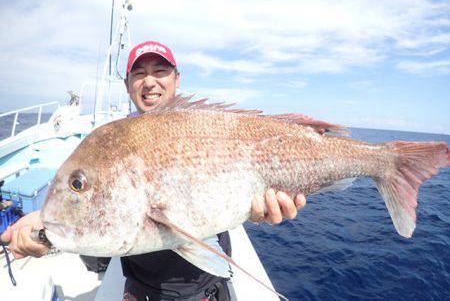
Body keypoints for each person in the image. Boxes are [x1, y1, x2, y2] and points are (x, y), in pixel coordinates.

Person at [0, 40, 307, 300]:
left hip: (203, 288)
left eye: (160, 71)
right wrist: (44, 230)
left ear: (177, 79)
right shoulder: (109, 143)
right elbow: (101, 226)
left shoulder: (200, 124)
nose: (149, 82)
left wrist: (262, 212)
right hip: (140, 288)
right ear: (128, 84)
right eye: (139, 73)